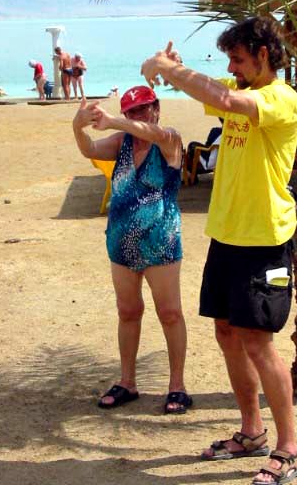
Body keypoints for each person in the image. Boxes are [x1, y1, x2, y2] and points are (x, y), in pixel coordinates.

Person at [141, 16, 297, 485]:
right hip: (227, 235)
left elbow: (228, 100)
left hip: (264, 240)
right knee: (227, 334)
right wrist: (176, 68)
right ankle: (252, 432)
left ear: (264, 55)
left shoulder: (280, 99)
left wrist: (167, 69)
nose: (231, 68)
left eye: (238, 58)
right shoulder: (237, 88)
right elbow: (214, 92)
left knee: (258, 342)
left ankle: (289, 448)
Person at [72, 86, 192, 414]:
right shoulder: (121, 143)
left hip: (161, 242)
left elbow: (154, 133)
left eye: (144, 108)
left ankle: (177, 386)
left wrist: (112, 120)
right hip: (121, 243)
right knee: (127, 311)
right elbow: (89, 149)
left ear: (156, 108)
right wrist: (77, 126)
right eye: (132, 111)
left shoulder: (169, 139)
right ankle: (127, 382)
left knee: (170, 313)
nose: (139, 115)